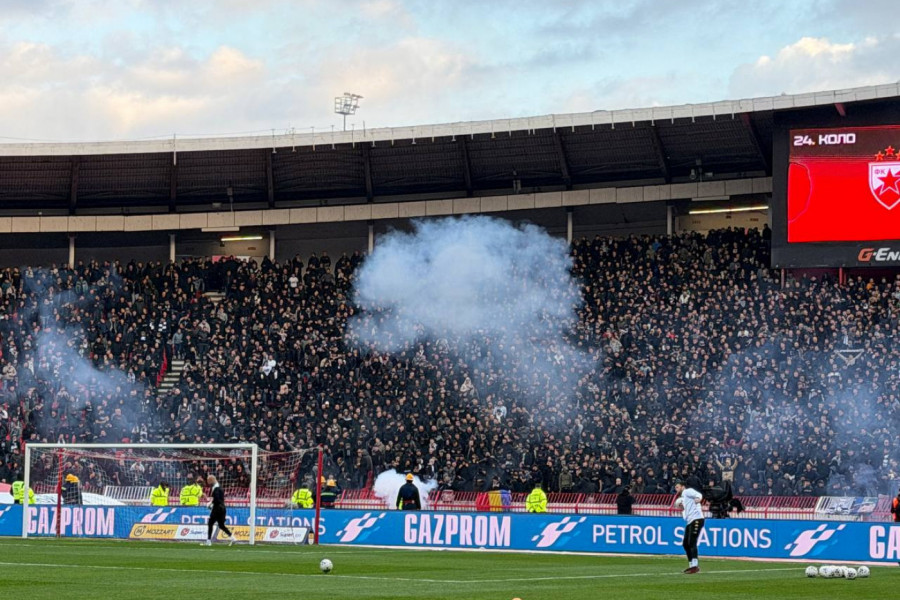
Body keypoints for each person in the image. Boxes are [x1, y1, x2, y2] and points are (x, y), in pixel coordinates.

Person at [674, 478, 705, 574]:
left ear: (682, 486)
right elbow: (685, 516)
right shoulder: (684, 501)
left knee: (692, 542)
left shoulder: (687, 491)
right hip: (691, 521)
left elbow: (698, 494)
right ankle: (691, 565)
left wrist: (698, 499)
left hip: (697, 519)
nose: (676, 489)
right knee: (685, 543)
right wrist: (683, 508)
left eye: (677, 487)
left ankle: (695, 565)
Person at [204, 475, 235, 546]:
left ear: (211, 480)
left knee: (210, 523)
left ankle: (208, 541)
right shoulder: (219, 487)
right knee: (221, 525)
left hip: (217, 508)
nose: (208, 483)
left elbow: (217, 499)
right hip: (223, 508)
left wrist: (210, 504)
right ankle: (233, 538)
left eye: (208, 481)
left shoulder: (216, 488)